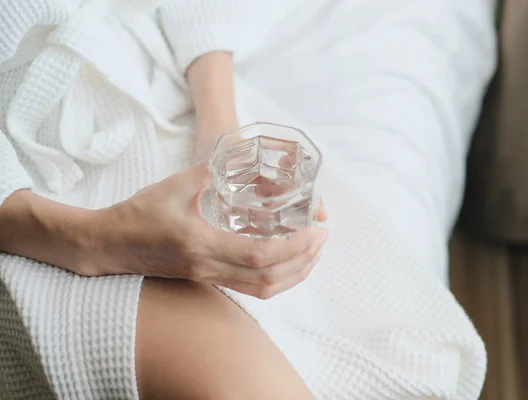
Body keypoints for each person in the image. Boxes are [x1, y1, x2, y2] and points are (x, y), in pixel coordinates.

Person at [0, 0, 497, 399]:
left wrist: (218, 127)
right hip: (27, 200)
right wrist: (99, 240)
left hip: (145, 86)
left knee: (387, 325)